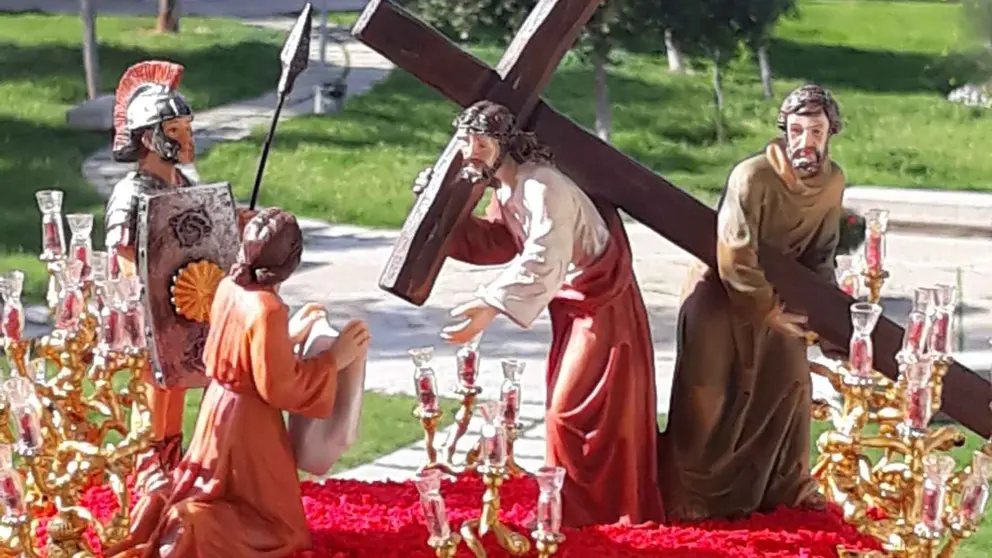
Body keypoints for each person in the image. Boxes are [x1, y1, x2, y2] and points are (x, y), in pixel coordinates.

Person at [421, 100, 664, 528]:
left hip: (603, 310)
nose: (472, 152)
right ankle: (574, 511)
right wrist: (443, 214)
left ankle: (589, 514)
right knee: (575, 411)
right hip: (573, 311)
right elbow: (498, 241)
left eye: (481, 143)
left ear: (504, 144)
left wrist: (490, 304)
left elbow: (542, 258)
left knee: (568, 413)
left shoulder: (541, 187)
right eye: (465, 143)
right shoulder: (507, 188)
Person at [105, 208, 371, 558]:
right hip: (249, 424)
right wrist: (335, 358)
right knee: (278, 526)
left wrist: (288, 338)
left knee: (206, 481)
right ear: (292, 260)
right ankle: (197, 525)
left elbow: (244, 351)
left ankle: (185, 516)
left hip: (218, 406)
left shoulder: (229, 288)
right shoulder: (267, 309)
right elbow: (279, 386)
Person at [657, 84, 847, 522]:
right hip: (722, 298)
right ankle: (689, 491)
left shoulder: (832, 182)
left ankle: (786, 488)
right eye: (796, 130)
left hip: (780, 304)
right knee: (705, 398)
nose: (805, 141)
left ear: (830, 132)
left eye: (815, 131)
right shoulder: (753, 176)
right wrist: (767, 312)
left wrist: (829, 316)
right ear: (784, 131)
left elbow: (821, 254)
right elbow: (734, 251)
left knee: (793, 385)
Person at [104, 60, 254, 493]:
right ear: (150, 137)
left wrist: (239, 223)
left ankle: (175, 467)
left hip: (189, 308)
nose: (187, 138)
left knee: (184, 384)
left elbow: (203, 232)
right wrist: (145, 302)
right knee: (158, 392)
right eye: (176, 131)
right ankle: (153, 471)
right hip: (151, 315)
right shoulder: (131, 193)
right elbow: (126, 252)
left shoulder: (182, 181)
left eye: (187, 128)